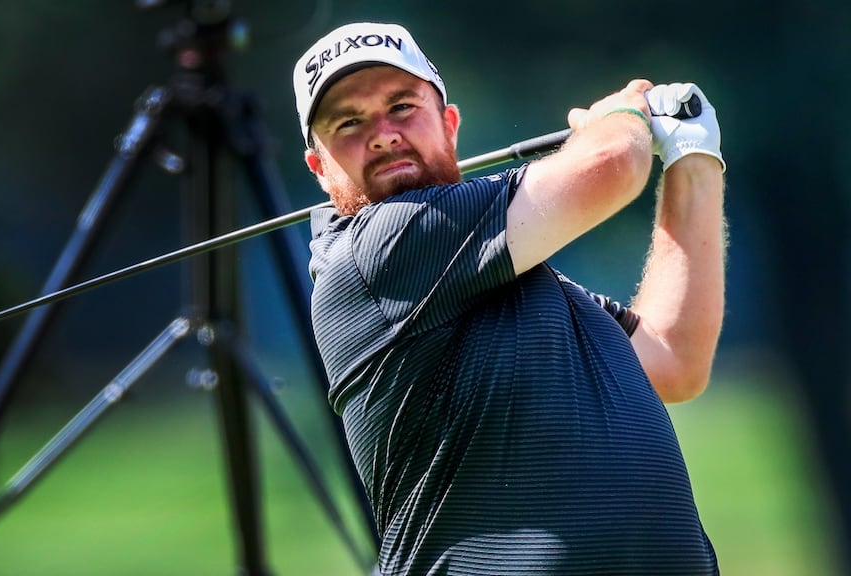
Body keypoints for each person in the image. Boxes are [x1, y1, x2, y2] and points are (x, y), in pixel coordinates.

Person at [292, 21, 726, 575]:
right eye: (348, 123)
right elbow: (611, 167)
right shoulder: (376, 252)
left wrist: (695, 158)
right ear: (320, 169)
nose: (381, 134)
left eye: (402, 107)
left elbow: (674, 359)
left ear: (448, 125)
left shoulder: (523, 281)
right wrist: (619, 115)